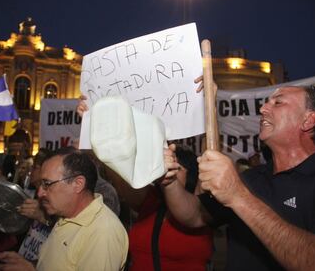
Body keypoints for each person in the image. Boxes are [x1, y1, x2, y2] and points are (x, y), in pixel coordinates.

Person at [162, 86, 315, 270]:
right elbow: (194, 216)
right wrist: (170, 182)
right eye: (266, 102)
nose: (263, 108)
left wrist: (239, 197)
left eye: (278, 103)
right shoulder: (252, 178)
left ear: (308, 120)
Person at [77, 96, 213, 271]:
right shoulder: (148, 202)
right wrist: (94, 122)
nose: (166, 163)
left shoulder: (201, 207)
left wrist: (210, 100)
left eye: (175, 162)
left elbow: (211, 152)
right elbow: (116, 167)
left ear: (191, 172)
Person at [0, 149, 129, 271]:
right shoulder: (65, 215)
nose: (40, 193)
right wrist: (27, 264)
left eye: (47, 184)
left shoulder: (102, 233)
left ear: (77, 184)